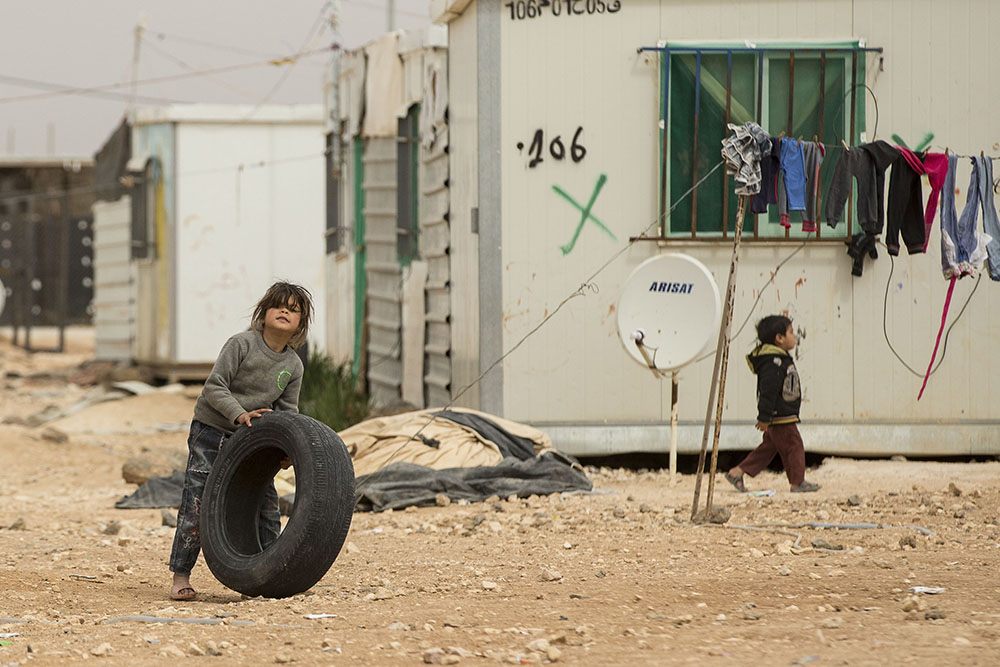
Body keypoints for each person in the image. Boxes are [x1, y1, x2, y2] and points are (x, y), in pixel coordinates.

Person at [168, 281, 313, 601]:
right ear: (263, 314)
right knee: (198, 501)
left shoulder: (293, 366)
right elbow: (214, 388)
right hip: (213, 429)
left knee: (266, 506)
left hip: (252, 441)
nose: (285, 311)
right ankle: (181, 574)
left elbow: (288, 411)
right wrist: (239, 414)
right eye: (279, 305)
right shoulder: (241, 345)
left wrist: (287, 447)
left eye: (294, 309)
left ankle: (268, 574)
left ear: (301, 324)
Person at [723, 314, 821, 494]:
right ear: (779, 338)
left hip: (779, 414)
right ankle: (798, 483)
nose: (794, 336)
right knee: (794, 445)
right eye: (791, 332)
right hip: (780, 415)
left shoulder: (779, 359)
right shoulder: (774, 363)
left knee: (769, 448)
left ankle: (737, 472)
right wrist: (764, 417)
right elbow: (767, 392)